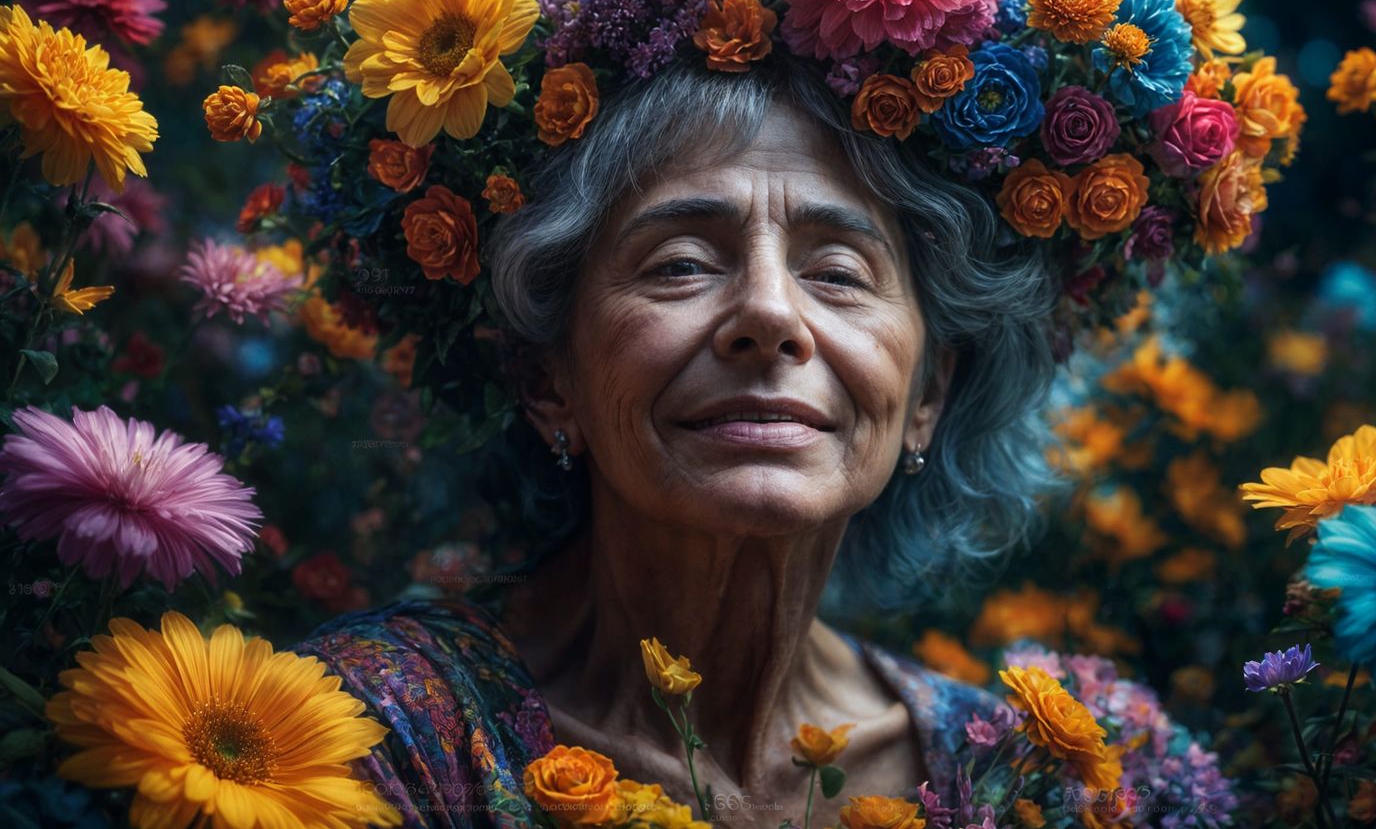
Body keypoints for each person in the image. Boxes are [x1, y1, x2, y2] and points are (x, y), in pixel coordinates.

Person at [294, 56, 1064, 828]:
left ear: (926, 395)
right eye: (681, 264)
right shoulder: (365, 732)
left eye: (838, 272)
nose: (769, 315)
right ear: (546, 383)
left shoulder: (1017, 779)